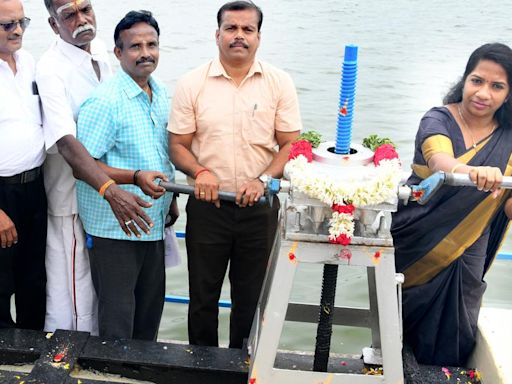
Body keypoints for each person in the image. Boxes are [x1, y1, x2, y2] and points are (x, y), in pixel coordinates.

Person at [169, 0, 301, 348]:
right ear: (217, 35)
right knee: (202, 299)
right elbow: (177, 145)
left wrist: (263, 180)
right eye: (231, 28)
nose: (238, 36)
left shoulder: (279, 82)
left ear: (258, 37)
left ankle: (241, 369)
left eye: (247, 29)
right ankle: (202, 369)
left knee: (252, 301)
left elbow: (291, 145)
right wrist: (200, 171)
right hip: (207, 206)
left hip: (259, 209)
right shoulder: (191, 83)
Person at [391, 43, 512, 366]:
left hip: (468, 246)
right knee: (394, 331)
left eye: (497, 86)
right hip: (415, 236)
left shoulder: (510, 139)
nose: (483, 93)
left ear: (509, 93)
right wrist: (473, 172)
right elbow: (439, 158)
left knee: (457, 330)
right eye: (477, 80)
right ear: (465, 80)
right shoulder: (439, 118)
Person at [76, 10, 174, 341]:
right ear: (118, 53)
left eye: (152, 44)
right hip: (115, 228)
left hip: (153, 223)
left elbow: (159, 152)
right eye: (135, 46)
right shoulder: (105, 101)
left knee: (149, 313)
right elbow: (82, 163)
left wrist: (170, 201)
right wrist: (134, 176)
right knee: (118, 320)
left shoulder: (159, 92)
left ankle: (141, 374)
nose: (145, 53)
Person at [0, 0, 47, 330]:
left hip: (35, 188)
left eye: (22, 22)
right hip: (1, 194)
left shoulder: (30, 62)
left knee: (34, 278)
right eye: (7, 25)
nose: (17, 31)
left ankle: (32, 358)